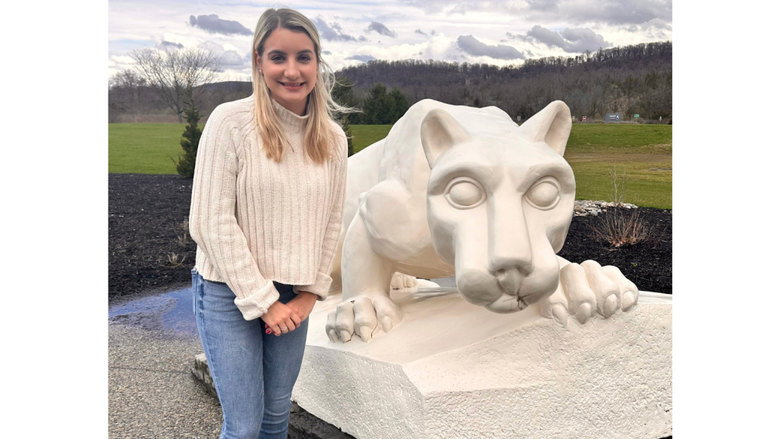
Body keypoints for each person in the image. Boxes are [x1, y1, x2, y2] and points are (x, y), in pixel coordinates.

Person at [188, 8, 350, 439]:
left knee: (276, 419)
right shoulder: (230, 122)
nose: (292, 70)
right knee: (243, 427)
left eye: (304, 57)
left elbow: (331, 221)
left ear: (318, 62)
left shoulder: (332, 138)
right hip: (227, 291)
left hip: (292, 297)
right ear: (259, 60)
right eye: (278, 57)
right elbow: (209, 221)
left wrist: (310, 295)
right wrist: (265, 302)